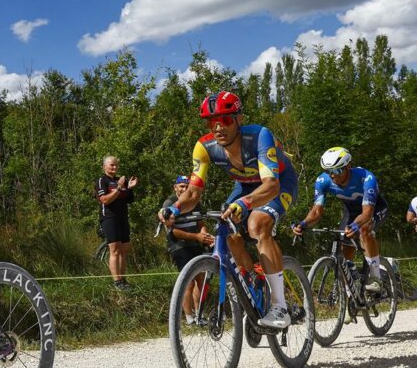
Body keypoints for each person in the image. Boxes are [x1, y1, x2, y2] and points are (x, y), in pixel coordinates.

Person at [158, 90, 298, 329]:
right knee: (225, 228)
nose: (218, 127)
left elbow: (271, 185)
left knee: (257, 224)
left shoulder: (259, 136)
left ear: (238, 119)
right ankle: (251, 281)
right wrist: (175, 208)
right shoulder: (204, 146)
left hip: (278, 183)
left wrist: (244, 203)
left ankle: (280, 306)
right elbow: (192, 193)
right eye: (211, 122)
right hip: (245, 185)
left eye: (224, 120)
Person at [291, 147, 388, 293]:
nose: (332, 175)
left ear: (348, 166)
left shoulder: (366, 178)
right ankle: (351, 294)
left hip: (374, 209)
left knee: (364, 229)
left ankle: (376, 277)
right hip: (351, 212)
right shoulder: (323, 181)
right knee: (344, 249)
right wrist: (303, 223)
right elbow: (316, 211)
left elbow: (367, 213)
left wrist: (356, 225)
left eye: (336, 170)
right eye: (328, 171)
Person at [161, 175, 214, 322]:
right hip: (179, 246)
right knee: (188, 281)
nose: (184, 189)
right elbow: (172, 231)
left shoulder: (195, 202)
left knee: (201, 278)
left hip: (196, 244)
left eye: (187, 186)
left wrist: (204, 235)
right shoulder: (170, 203)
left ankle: (199, 313)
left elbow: (201, 223)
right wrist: (197, 236)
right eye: (181, 186)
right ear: (175, 187)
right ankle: (189, 316)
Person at [96, 156, 137, 289]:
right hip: (109, 217)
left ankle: (123, 280)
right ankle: (117, 282)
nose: (114, 167)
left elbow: (129, 200)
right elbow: (105, 200)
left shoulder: (121, 180)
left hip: (123, 217)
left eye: (116, 165)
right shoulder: (102, 180)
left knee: (124, 249)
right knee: (114, 249)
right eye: (112, 165)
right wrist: (118, 188)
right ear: (104, 167)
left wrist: (130, 188)